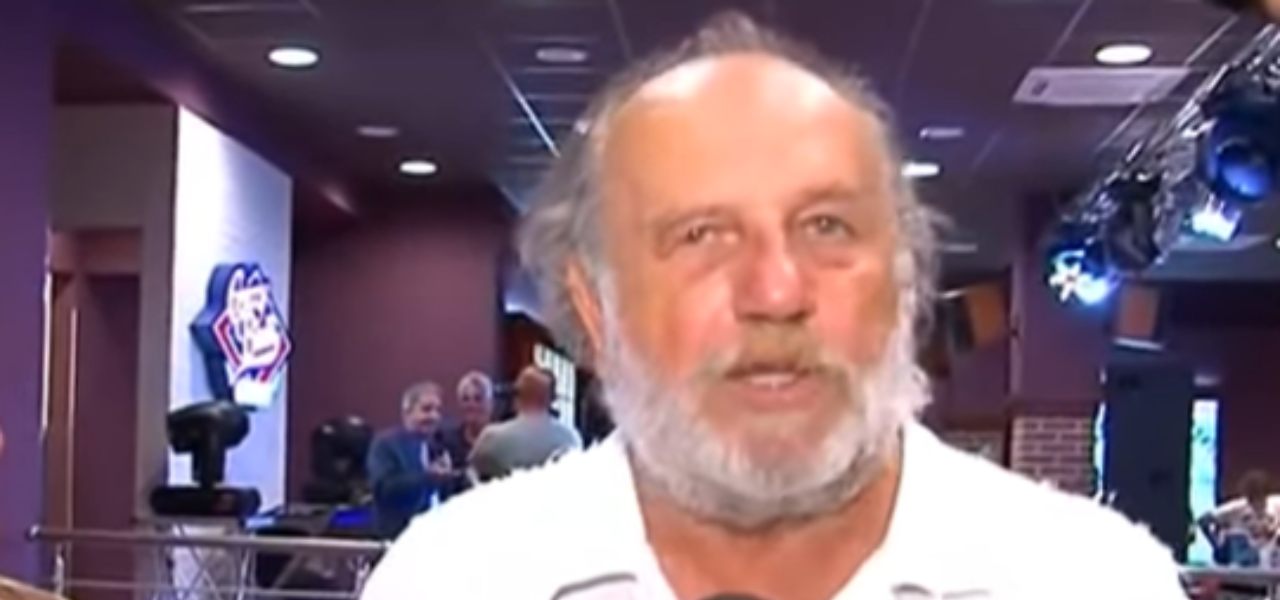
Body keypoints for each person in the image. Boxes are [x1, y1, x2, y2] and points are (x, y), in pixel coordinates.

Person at [362, 13, 1186, 599]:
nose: (777, 292)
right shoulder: (450, 579)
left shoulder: (1092, 580)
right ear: (595, 306)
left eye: (827, 226)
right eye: (700, 235)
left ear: (904, 284)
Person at [365, 381, 453, 539]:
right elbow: (385, 490)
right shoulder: (385, 444)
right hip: (397, 538)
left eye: (437, 410)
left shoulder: (438, 446)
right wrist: (428, 477)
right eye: (426, 409)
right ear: (407, 413)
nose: (434, 416)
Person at [468, 366, 582, 482]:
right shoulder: (571, 438)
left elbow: (471, 475)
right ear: (552, 399)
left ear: (517, 395)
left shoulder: (491, 437)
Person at [433, 370, 495, 500]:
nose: (471, 405)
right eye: (465, 399)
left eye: (478, 399)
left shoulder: (503, 438)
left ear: (490, 404)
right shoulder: (445, 439)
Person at [1199, 470, 1280, 566]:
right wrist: (1217, 546)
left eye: (1260, 497)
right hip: (1244, 561)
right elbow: (1203, 520)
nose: (1257, 503)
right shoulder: (1236, 508)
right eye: (1252, 499)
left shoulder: (1276, 504)